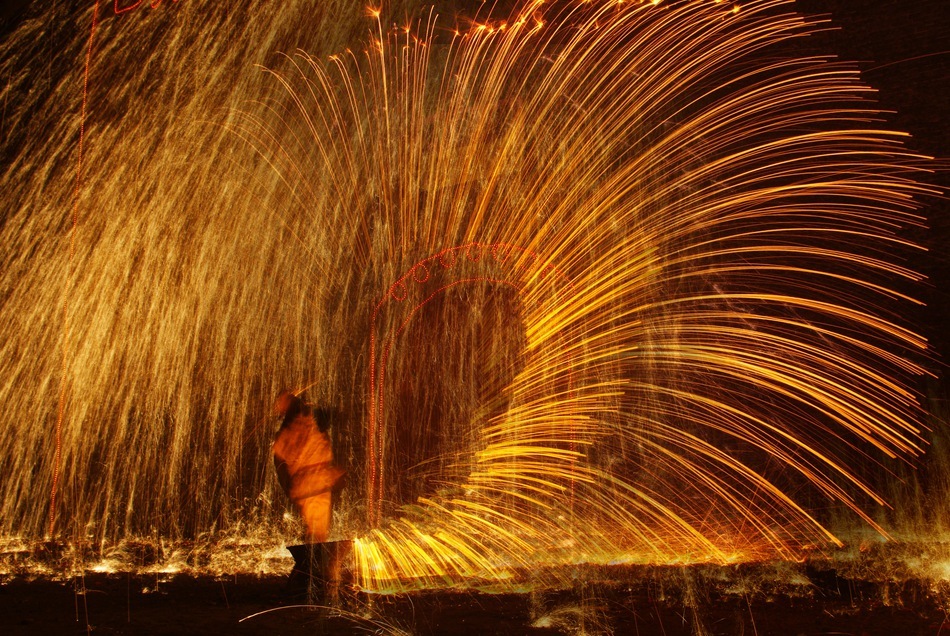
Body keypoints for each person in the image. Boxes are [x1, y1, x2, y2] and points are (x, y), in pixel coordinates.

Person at [272, 390, 345, 543]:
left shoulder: (288, 431)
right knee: (317, 530)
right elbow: (332, 416)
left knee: (315, 530)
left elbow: (281, 464)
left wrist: (289, 487)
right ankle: (314, 550)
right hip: (318, 481)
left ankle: (312, 551)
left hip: (308, 484)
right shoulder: (311, 417)